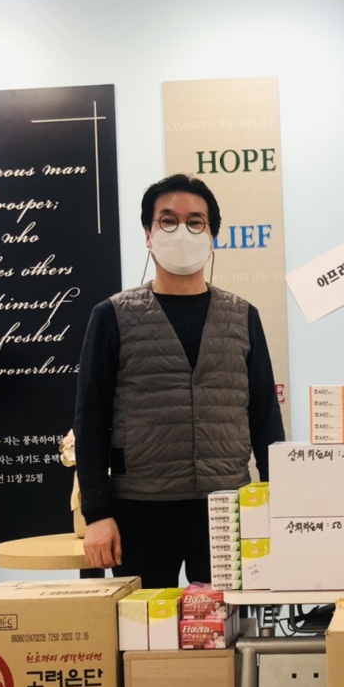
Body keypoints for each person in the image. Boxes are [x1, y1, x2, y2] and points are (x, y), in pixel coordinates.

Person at [74, 173, 285, 588]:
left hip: (227, 504)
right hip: (141, 506)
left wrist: (278, 501)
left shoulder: (243, 316)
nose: (182, 231)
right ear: (148, 234)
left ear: (212, 236)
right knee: (143, 626)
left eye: (195, 222)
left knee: (230, 622)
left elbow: (264, 415)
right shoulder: (113, 316)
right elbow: (91, 420)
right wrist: (97, 514)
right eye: (168, 220)